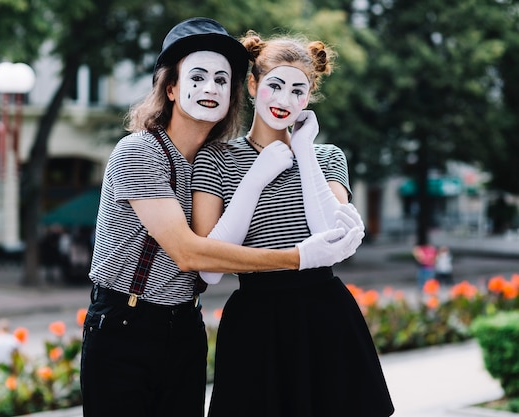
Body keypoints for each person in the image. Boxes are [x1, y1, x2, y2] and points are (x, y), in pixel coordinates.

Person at [80, 17, 365, 417]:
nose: (211, 88)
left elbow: (333, 231)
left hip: (185, 325)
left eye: (221, 80)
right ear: (172, 88)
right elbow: (191, 254)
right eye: (198, 77)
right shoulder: (139, 152)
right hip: (127, 326)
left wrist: (301, 152)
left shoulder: (206, 159)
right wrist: (298, 257)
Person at [191, 30, 394, 416]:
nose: (285, 101)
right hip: (256, 321)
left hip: (325, 316)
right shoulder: (215, 158)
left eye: (298, 91)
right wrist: (256, 177)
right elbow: (210, 268)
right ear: (252, 85)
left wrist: (302, 151)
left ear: (310, 95)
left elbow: (330, 236)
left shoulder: (326, 156)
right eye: (275, 86)